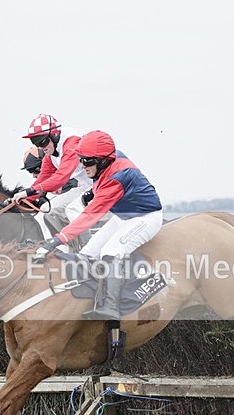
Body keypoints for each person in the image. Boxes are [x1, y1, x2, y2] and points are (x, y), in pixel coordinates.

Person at [33, 130, 163, 325]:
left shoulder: (117, 177)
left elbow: (88, 218)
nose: (82, 166)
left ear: (102, 161)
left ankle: (110, 307)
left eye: (86, 161)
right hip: (123, 216)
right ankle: (87, 299)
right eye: (80, 159)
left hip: (145, 218)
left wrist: (56, 240)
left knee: (111, 251)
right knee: (87, 253)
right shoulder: (110, 158)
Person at [12, 114, 91, 239]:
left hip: (101, 182)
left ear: (54, 134)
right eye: (36, 143)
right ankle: (66, 249)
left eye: (43, 142)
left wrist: (28, 193)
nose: (41, 148)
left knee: (72, 209)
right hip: (85, 185)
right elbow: (43, 179)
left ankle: (89, 252)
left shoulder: (71, 142)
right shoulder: (50, 153)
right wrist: (23, 199)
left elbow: (61, 178)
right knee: (51, 212)